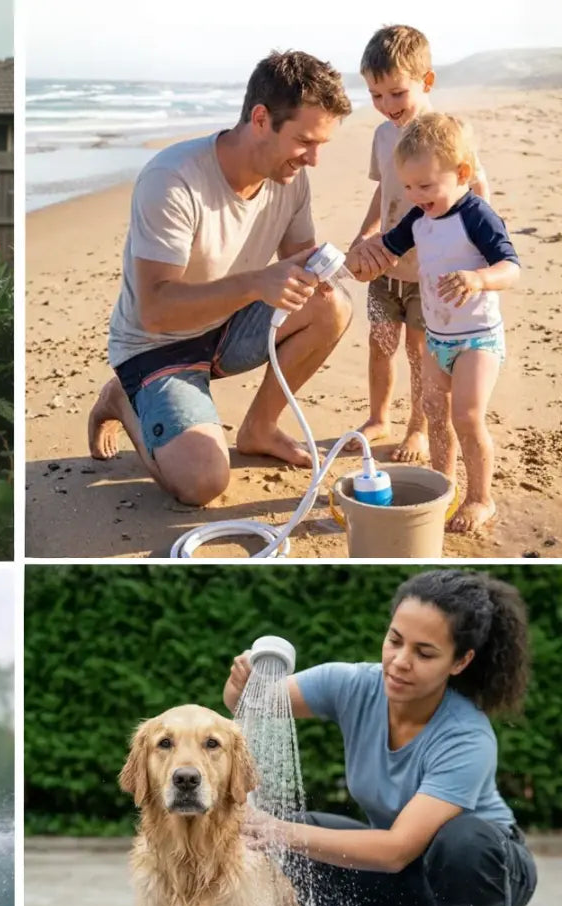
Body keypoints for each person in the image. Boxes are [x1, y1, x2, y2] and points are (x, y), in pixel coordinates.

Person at [224, 569, 537, 906]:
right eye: (395, 640)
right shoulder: (354, 685)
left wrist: (278, 829)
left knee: (461, 841)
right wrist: (245, 682)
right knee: (291, 846)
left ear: (461, 661)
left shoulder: (467, 737)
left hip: (485, 870)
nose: (399, 662)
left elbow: (394, 852)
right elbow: (254, 706)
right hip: (404, 865)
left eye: (424, 653)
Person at [87, 50, 354, 507]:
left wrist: (344, 264)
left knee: (333, 305)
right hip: (155, 347)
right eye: (305, 142)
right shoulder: (173, 180)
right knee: (203, 483)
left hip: (226, 328)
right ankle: (122, 399)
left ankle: (260, 428)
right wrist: (255, 284)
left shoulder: (289, 180)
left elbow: (298, 265)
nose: (313, 159)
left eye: (320, 146)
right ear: (261, 118)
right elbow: (154, 310)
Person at [347, 113, 519, 534]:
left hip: (476, 339)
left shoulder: (476, 214)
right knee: (435, 413)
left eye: (425, 186)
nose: (415, 195)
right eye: (407, 186)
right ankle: (445, 487)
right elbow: (385, 252)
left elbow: (511, 267)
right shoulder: (419, 219)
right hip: (438, 340)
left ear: (462, 174)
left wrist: (479, 278)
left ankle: (481, 498)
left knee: (467, 415)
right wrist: (359, 262)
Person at [349, 25, 489, 463]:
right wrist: (366, 231)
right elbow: (384, 190)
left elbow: (477, 183)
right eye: (375, 95)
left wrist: (478, 244)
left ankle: (417, 428)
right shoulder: (382, 136)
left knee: (419, 352)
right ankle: (378, 417)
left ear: (425, 82)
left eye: (396, 93)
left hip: (428, 271)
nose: (386, 106)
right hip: (386, 266)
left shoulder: (443, 136)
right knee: (380, 342)